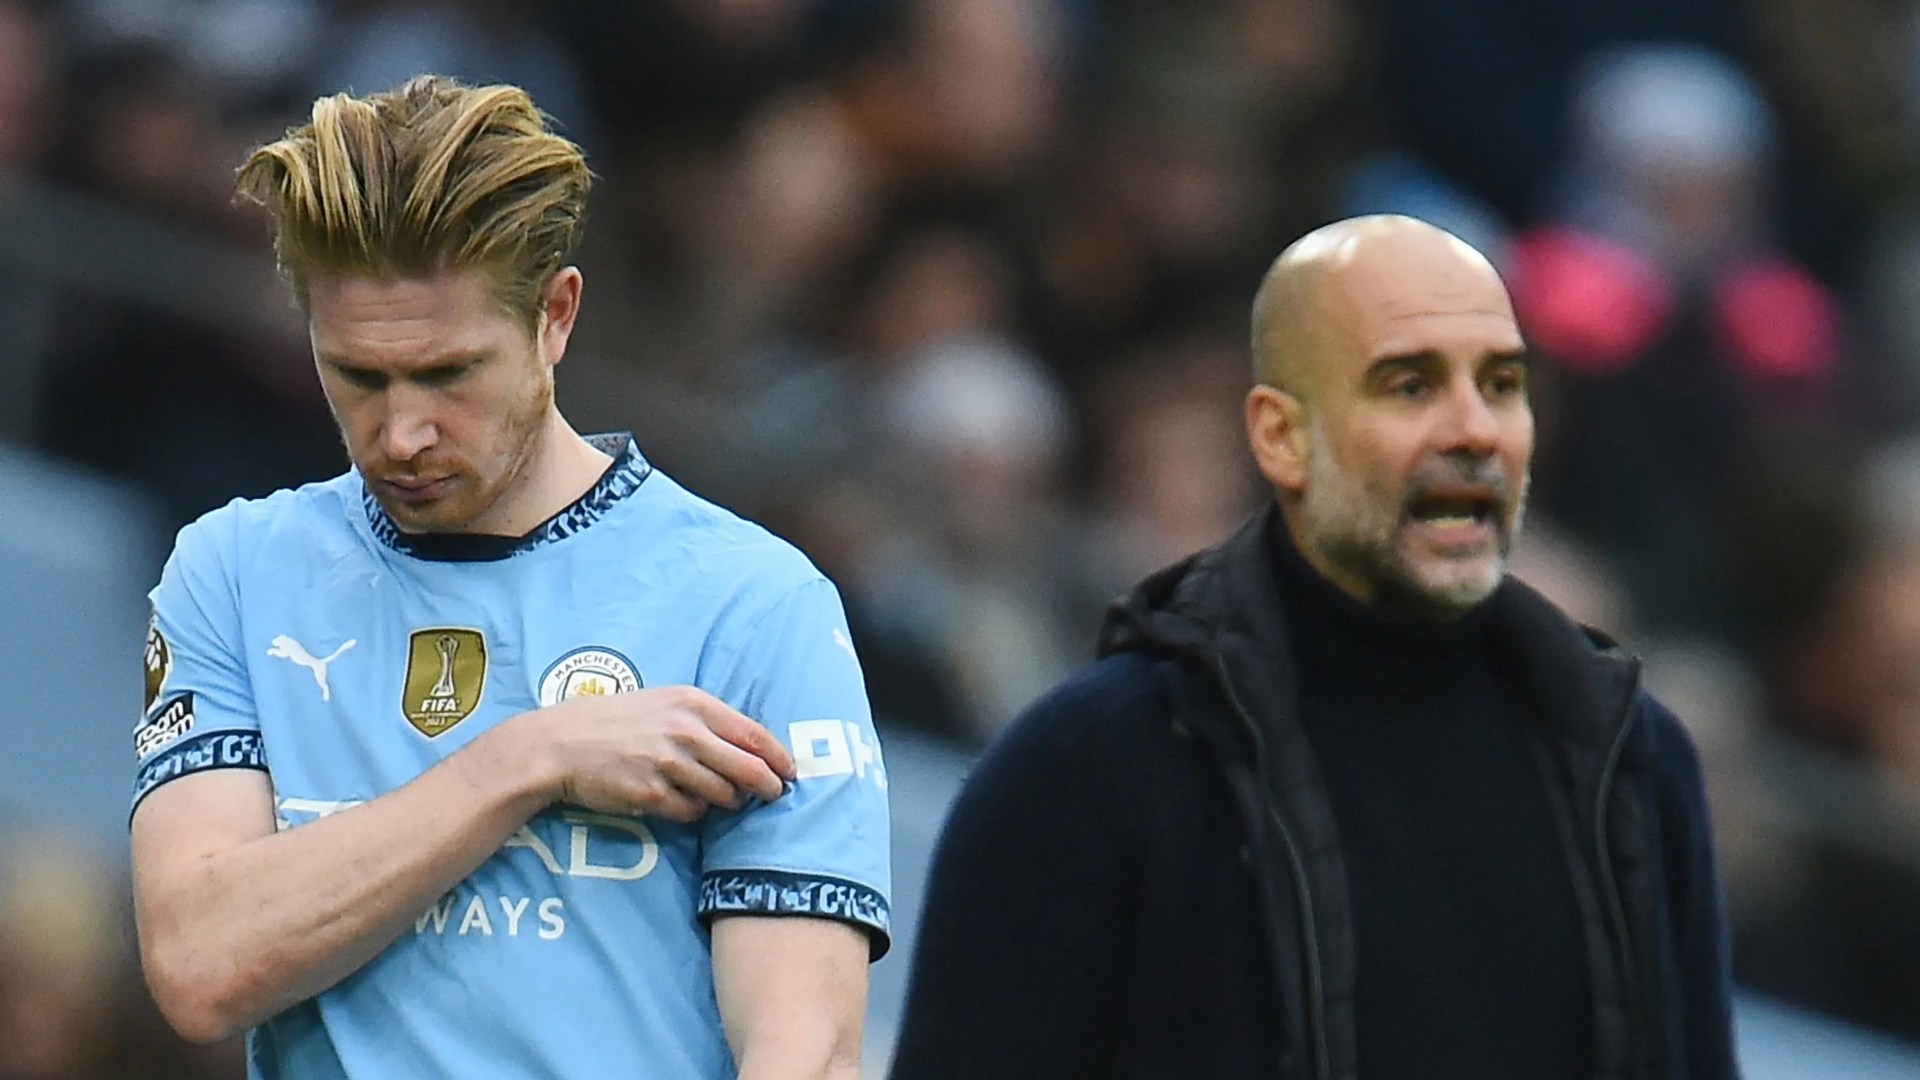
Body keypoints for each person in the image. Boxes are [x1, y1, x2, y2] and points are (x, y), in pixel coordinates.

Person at [129, 76, 890, 1079]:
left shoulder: (752, 606)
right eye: (356, 375)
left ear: (555, 317)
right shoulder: (235, 572)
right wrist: (527, 760)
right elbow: (199, 965)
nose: (401, 433)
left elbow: (808, 1051)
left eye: (449, 373)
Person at [889, 214, 1736, 1079]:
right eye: (1410, 386)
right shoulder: (1089, 765)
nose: (1474, 432)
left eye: (1502, 384)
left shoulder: (1635, 765)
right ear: (1281, 438)